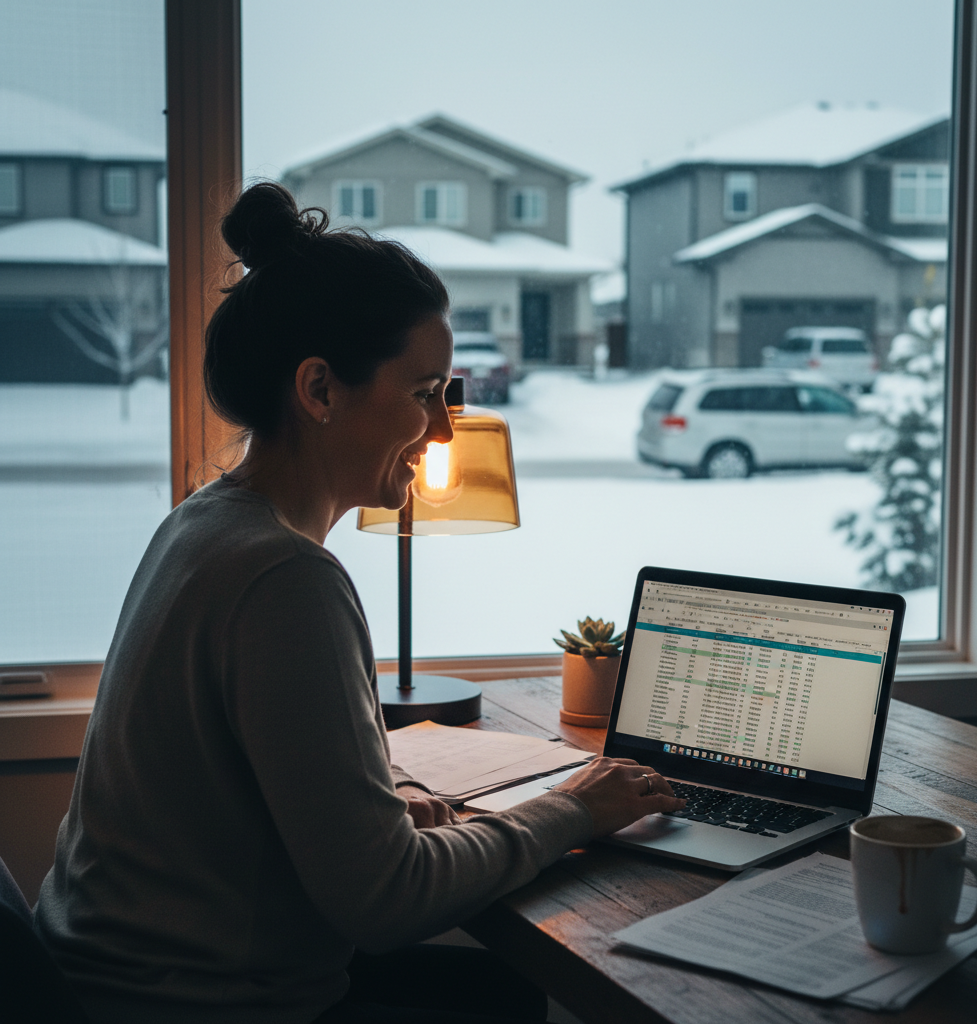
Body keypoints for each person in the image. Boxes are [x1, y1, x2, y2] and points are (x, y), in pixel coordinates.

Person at [34, 182, 684, 1024]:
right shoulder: (285, 579)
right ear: (320, 389)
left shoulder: (204, 524)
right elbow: (386, 904)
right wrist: (573, 809)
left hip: (112, 983)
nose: (443, 432)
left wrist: (375, 814)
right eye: (424, 394)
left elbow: (244, 800)